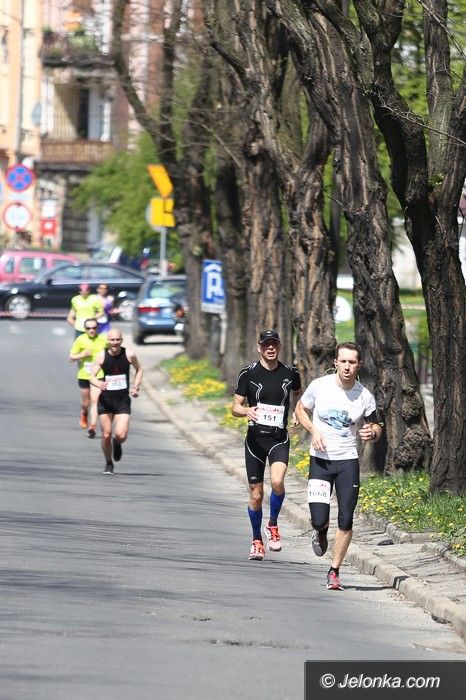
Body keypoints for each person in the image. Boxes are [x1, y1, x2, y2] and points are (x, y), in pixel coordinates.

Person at [295, 342, 382, 590]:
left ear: (359, 365)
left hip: (347, 462)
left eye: (351, 362)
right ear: (335, 362)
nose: (346, 367)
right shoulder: (320, 386)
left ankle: (334, 571)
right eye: (342, 361)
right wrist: (313, 431)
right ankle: (321, 531)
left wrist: (372, 433)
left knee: (346, 519)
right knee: (318, 518)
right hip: (320, 460)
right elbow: (300, 408)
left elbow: (376, 426)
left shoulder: (364, 396)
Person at [231, 330, 302, 561]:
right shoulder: (248, 373)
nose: (270, 348)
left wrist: (297, 412)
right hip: (255, 442)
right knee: (256, 495)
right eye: (266, 345)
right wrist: (246, 411)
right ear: (259, 348)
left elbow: (298, 394)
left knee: (278, 481)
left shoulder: (290, 373)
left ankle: (272, 524)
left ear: (279, 346)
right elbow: (235, 407)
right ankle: (256, 541)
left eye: (274, 344)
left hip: (279, 438)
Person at [89, 328, 143, 474]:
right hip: (106, 400)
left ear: (121, 340)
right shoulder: (102, 356)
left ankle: (117, 442)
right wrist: (99, 383)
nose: (115, 343)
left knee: (120, 435)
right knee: (106, 434)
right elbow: (91, 376)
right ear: (108, 341)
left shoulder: (129, 354)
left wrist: (136, 387)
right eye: (112, 340)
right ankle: (108, 463)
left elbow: (139, 369)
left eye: (118, 340)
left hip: (122, 400)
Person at [68, 318, 108, 436]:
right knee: (86, 402)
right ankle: (84, 413)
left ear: (97, 328)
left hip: (98, 375)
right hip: (84, 375)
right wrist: (83, 354)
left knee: (95, 400)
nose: (91, 330)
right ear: (85, 329)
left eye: (94, 328)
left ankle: (92, 426)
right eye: (88, 328)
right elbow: (71, 357)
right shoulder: (81, 339)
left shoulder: (103, 339)